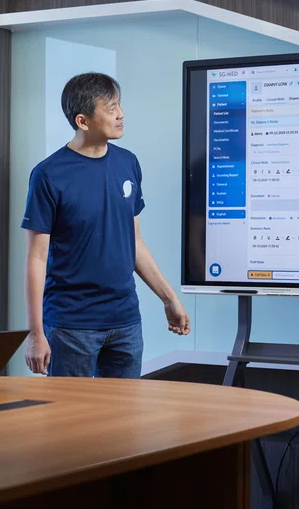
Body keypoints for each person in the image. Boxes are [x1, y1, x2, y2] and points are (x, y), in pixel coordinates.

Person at [22, 72, 190, 379]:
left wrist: (169, 299)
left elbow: (134, 243)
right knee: (72, 411)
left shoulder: (128, 163)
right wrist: (36, 333)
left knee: (125, 411)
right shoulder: (48, 174)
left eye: (120, 105)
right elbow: (36, 258)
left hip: (126, 323)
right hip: (71, 327)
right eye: (111, 108)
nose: (121, 114)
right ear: (83, 121)